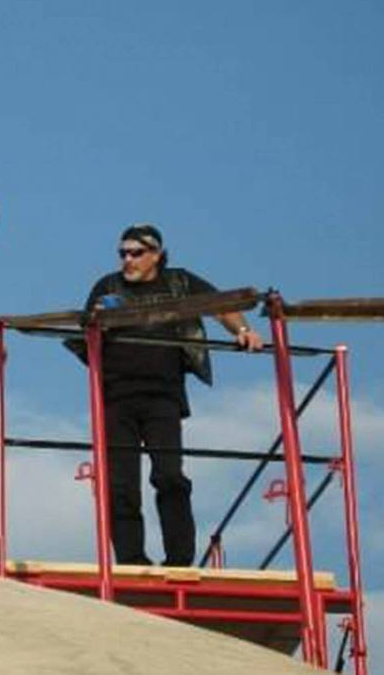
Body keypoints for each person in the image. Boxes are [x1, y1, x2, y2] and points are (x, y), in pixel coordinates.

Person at [82, 224, 263, 567]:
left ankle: (179, 559)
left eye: (136, 253)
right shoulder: (107, 285)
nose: (128, 260)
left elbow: (220, 305)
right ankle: (131, 559)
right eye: (123, 253)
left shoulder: (179, 282)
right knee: (121, 485)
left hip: (162, 397)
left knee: (169, 476)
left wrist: (243, 331)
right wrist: (98, 319)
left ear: (157, 256)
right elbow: (86, 326)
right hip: (116, 396)